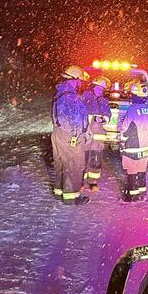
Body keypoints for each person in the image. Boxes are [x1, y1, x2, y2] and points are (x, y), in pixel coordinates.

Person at [51, 65, 90, 205]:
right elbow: (75, 119)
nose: (80, 84)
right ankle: (71, 197)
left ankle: (59, 192)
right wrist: (77, 135)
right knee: (73, 164)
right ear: (74, 80)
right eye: (79, 81)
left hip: (58, 133)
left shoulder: (59, 93)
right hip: (70, 135)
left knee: (61, 163)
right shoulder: (72, 97)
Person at [119, 80, 148, 202]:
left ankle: (132, 196)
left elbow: (125, 128)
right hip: (146, 146)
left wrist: (122, 141)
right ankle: (142, 193)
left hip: (133, 146)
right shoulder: (147, 109)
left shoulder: (132, 110)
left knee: (132, 171)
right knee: (141, 171)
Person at [82, 76, 112, 191]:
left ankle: (93, 182)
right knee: (83, 159)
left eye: (102, 89)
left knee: (96, 160)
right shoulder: (85, 97)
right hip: (86, 135)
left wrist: (104, 119)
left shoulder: (103, 101)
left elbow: (108, 114)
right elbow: (81, 114)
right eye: (98, 88)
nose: (100, 91)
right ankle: (81, 182)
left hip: (98, 138)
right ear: (93, 87)